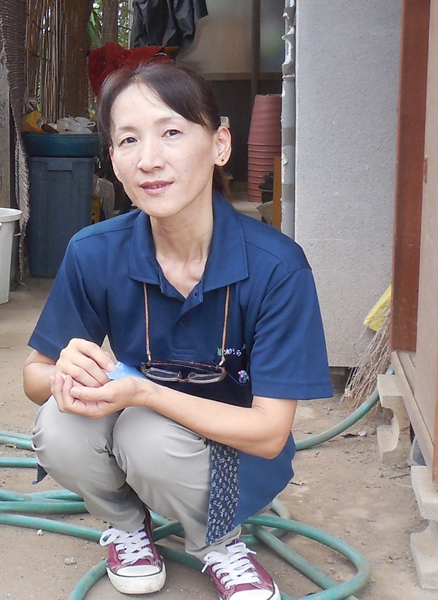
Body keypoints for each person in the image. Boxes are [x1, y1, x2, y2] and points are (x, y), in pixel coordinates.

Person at [22, 59, 332, 600]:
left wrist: (144, 391)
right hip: (143, 426)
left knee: (146, 436)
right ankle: (126, 526)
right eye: (128, 140)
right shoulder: (95, 252)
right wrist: (61, 375)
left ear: (218, 145)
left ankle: (221, 542)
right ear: (113, 159)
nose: (150, 160)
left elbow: (269, 431)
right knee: (59, 424)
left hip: (235, 453)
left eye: (171, 132)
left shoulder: (277, 267)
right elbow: (33, 375)